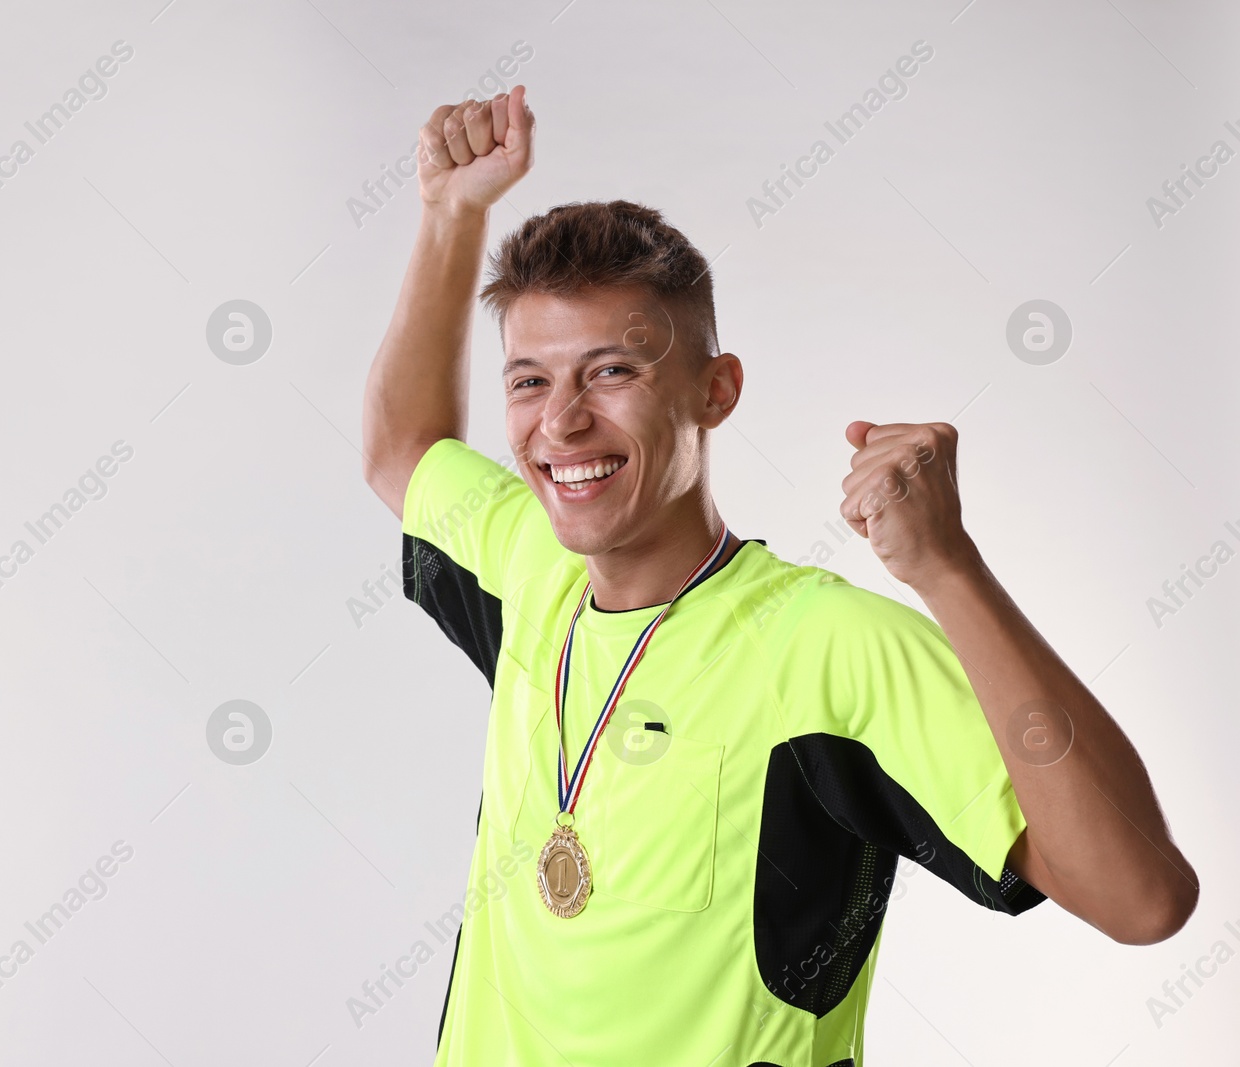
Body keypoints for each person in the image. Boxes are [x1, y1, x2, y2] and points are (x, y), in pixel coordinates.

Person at [359, 84, 1199, 1067]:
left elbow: (1142, 898)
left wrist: (948, 567)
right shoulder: (531, 563)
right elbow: (402, 449)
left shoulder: (824, 647)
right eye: (530, 378)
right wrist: (450, 216)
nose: (561, 421)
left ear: (714, 391)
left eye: (611, 371)